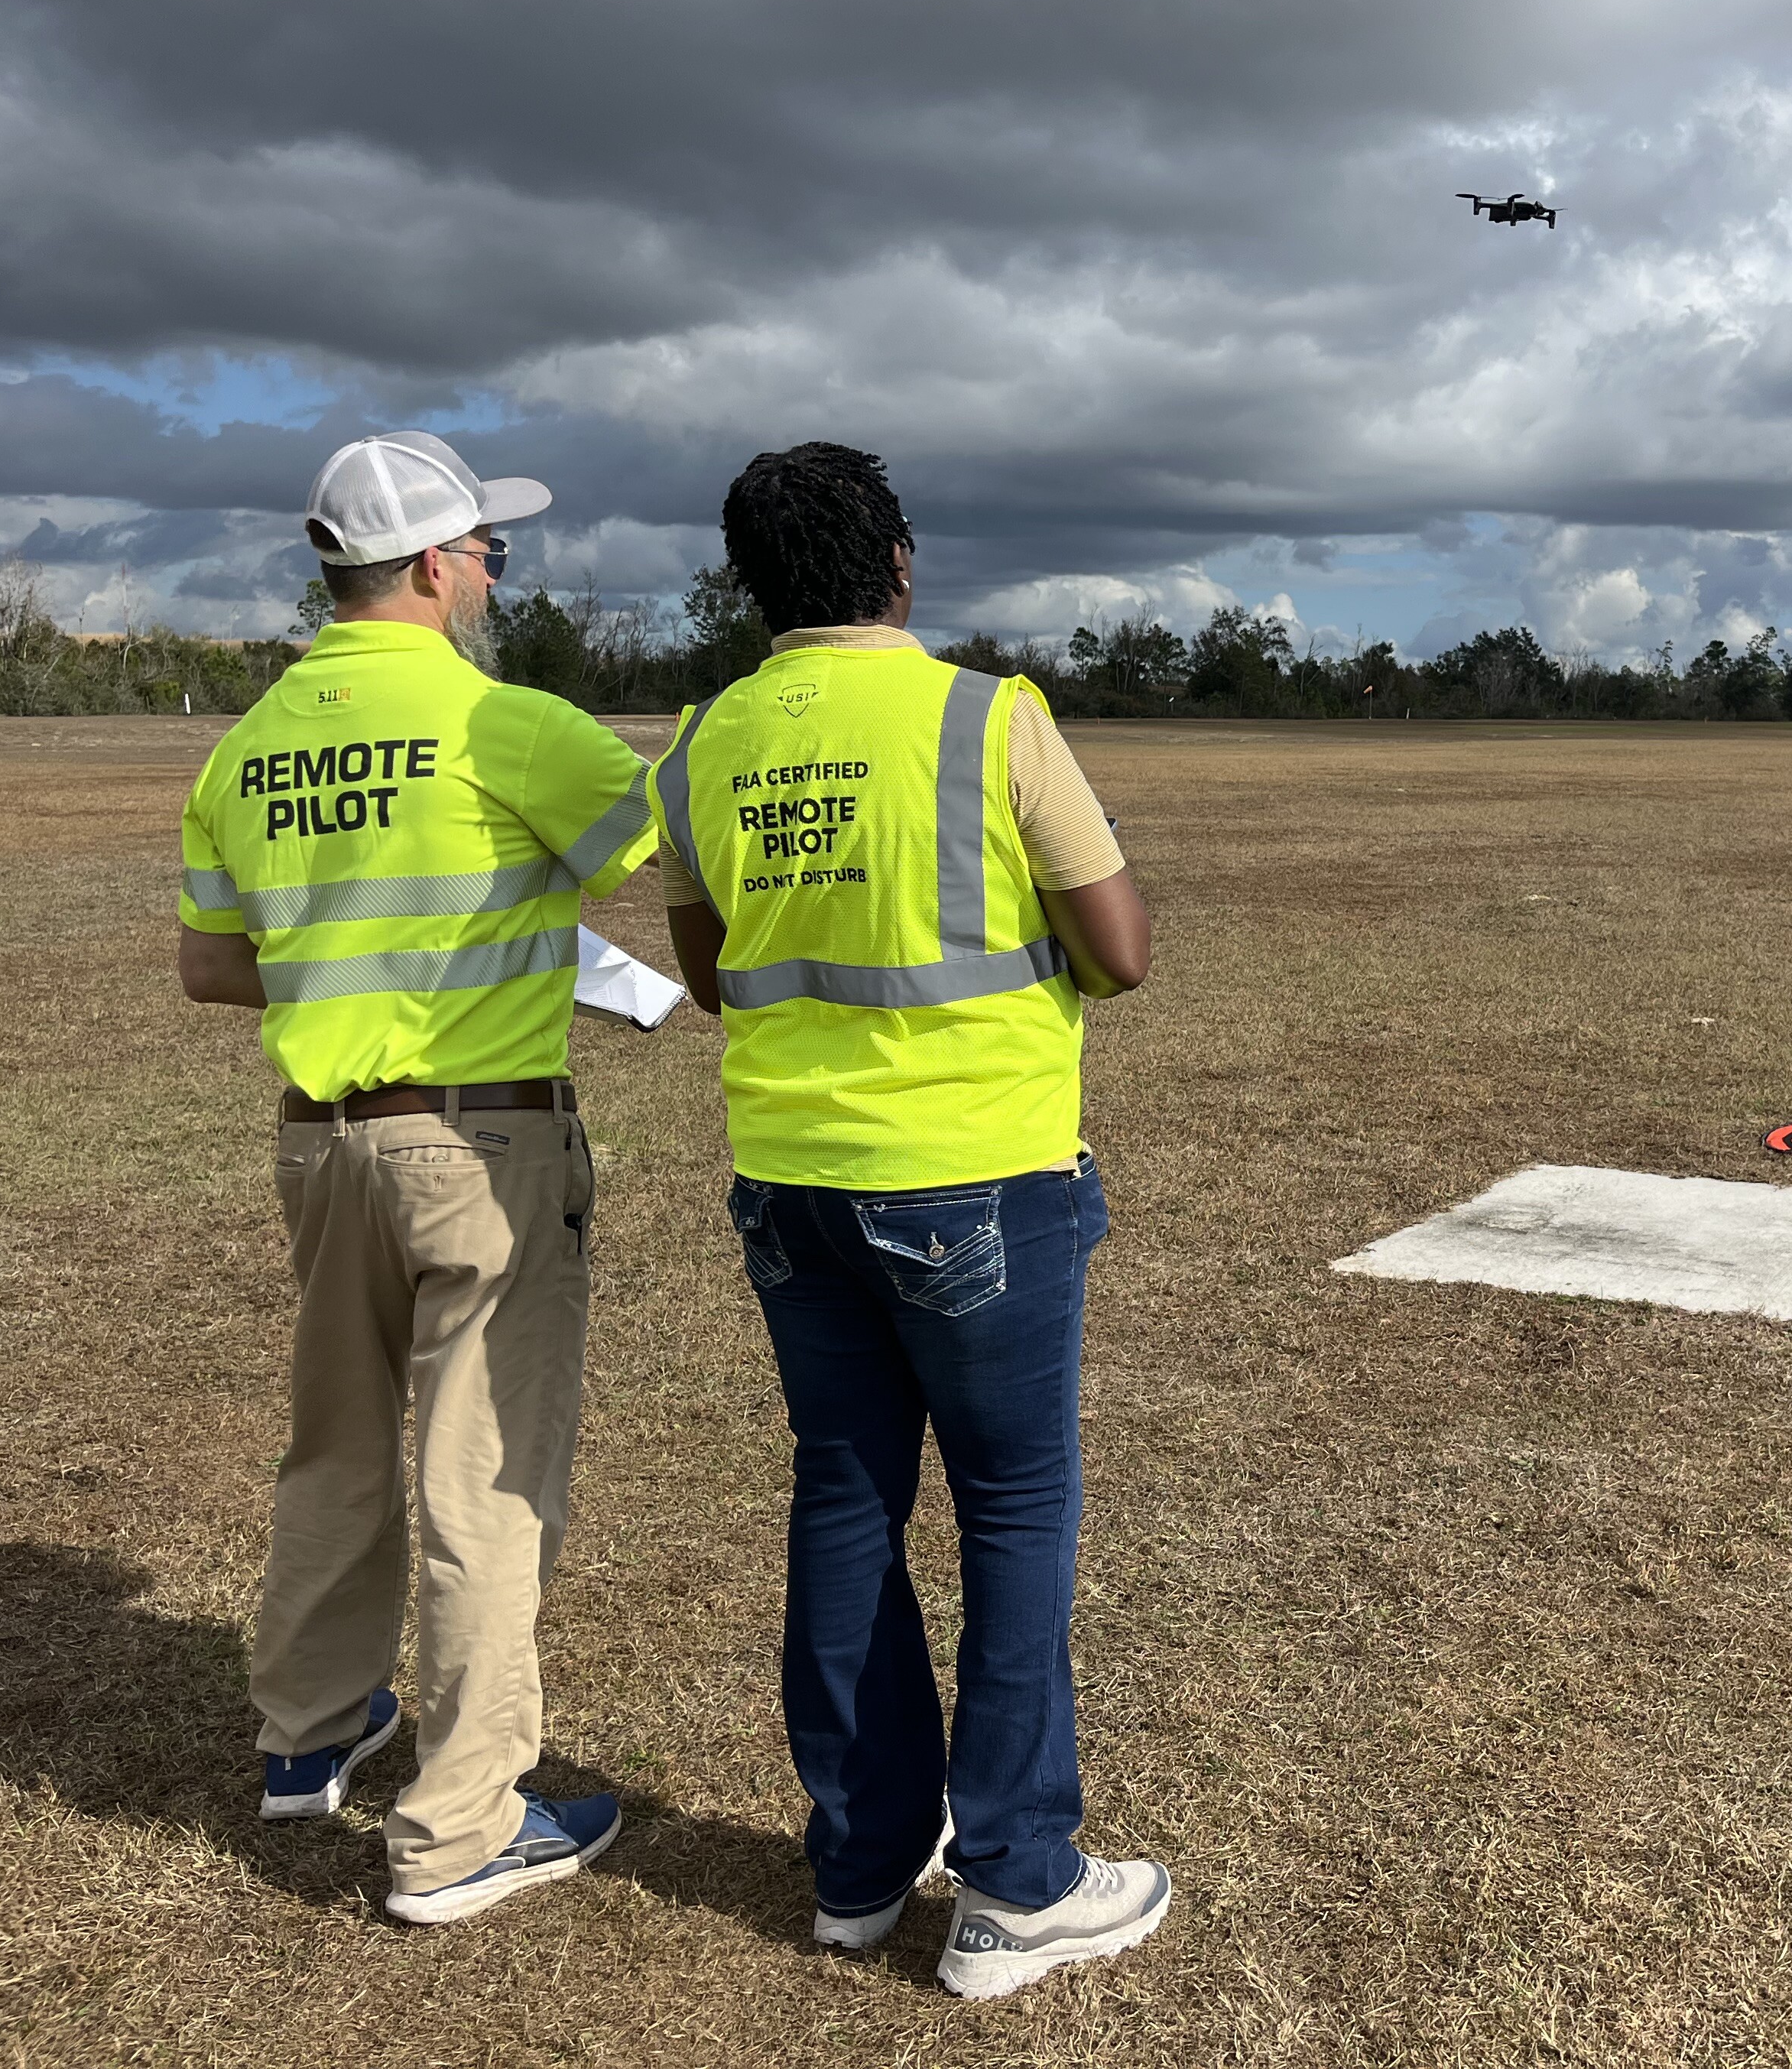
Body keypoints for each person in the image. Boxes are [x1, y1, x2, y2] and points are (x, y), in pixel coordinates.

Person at [651, 442, 1161, 2000]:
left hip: (792, 1178)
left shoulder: (699, 746)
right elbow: (1121, 948)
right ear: (902, 561)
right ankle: (1018, 1879)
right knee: (1011, 1508)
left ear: (752, 584)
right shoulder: (985, 717)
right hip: (979, 1170)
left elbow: (709, 969)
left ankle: (865, 1864)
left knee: (848, 1496)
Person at [176, 431, 657, 1926]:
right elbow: (648, 841)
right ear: (441, 567)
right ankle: (459, 1829)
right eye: (490, 554)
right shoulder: (504, 720)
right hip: (481, 1143)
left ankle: (311, 1732)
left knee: (332, 1445)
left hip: (318, 1140)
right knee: (485, 1481)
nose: (494, 575)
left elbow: (211, 967)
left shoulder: (247, 744)